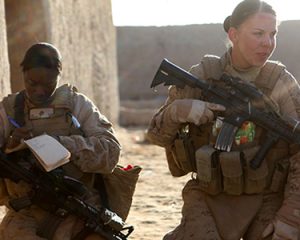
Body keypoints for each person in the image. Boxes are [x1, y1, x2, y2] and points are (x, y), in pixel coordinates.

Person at [146, 0, 300, 239]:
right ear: (234, 34)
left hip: (267, 199)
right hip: (209, 197)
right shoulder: (205, 75)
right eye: (258, 34)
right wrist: (179, 111)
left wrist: (290, 219)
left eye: (273, 34)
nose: (267, 43)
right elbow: (156, 135)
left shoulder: (281, 82)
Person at [0, 42, 121, 239]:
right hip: (26, 213)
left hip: (75, 207)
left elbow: (111, 154)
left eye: (48, 84)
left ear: (59, 75)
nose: (39, 91)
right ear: (23, 75)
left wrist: (62, 144)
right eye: (32, 83)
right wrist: (10, 147)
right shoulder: (9, 110)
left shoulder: (78, 106)